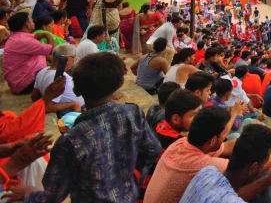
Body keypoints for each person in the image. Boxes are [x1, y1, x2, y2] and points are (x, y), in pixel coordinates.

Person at [16, 53, 162, 202]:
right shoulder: (133, 113)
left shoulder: (70, 141)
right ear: (121, 83)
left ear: (76, 90)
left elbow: (53, 195)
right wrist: (129, 176)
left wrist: (29, 193)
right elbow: (153, 149)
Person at [179, 124, 271, 203]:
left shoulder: (207, 172)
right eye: (263, 164)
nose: (264, 168)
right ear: (252, 168)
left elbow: (229, 194)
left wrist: (266, 181)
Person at [3, 12, 55, 94]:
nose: (33, 22)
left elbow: (44, 53)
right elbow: (53, 49)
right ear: (27, 24)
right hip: (24, 83)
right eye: (31, 21)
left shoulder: (20, 37)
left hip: (23, 78)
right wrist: (47, 35)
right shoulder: (23, 40)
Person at [31, 43, 83, 115]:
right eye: (74, 58)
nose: (74, 61)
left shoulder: (42, 71)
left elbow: (34, 97)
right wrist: (73, 104)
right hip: (70, 111)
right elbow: (47, 107)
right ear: (68, 59)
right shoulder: (58, 76)